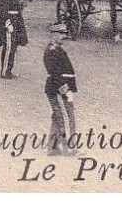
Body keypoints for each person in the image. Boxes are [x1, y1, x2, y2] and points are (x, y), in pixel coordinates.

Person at [44, 27, 78, 155]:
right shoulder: (52, 51)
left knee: (57, 117)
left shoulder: (56, 50)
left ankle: (52, 148)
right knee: (66, 117)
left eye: (63, 34)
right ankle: (70, 148)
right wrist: (66, 90)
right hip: (58, 89)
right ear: (52, 35)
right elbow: (55, 73)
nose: (62, 37)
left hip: (56, 88)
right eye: (59, 34)